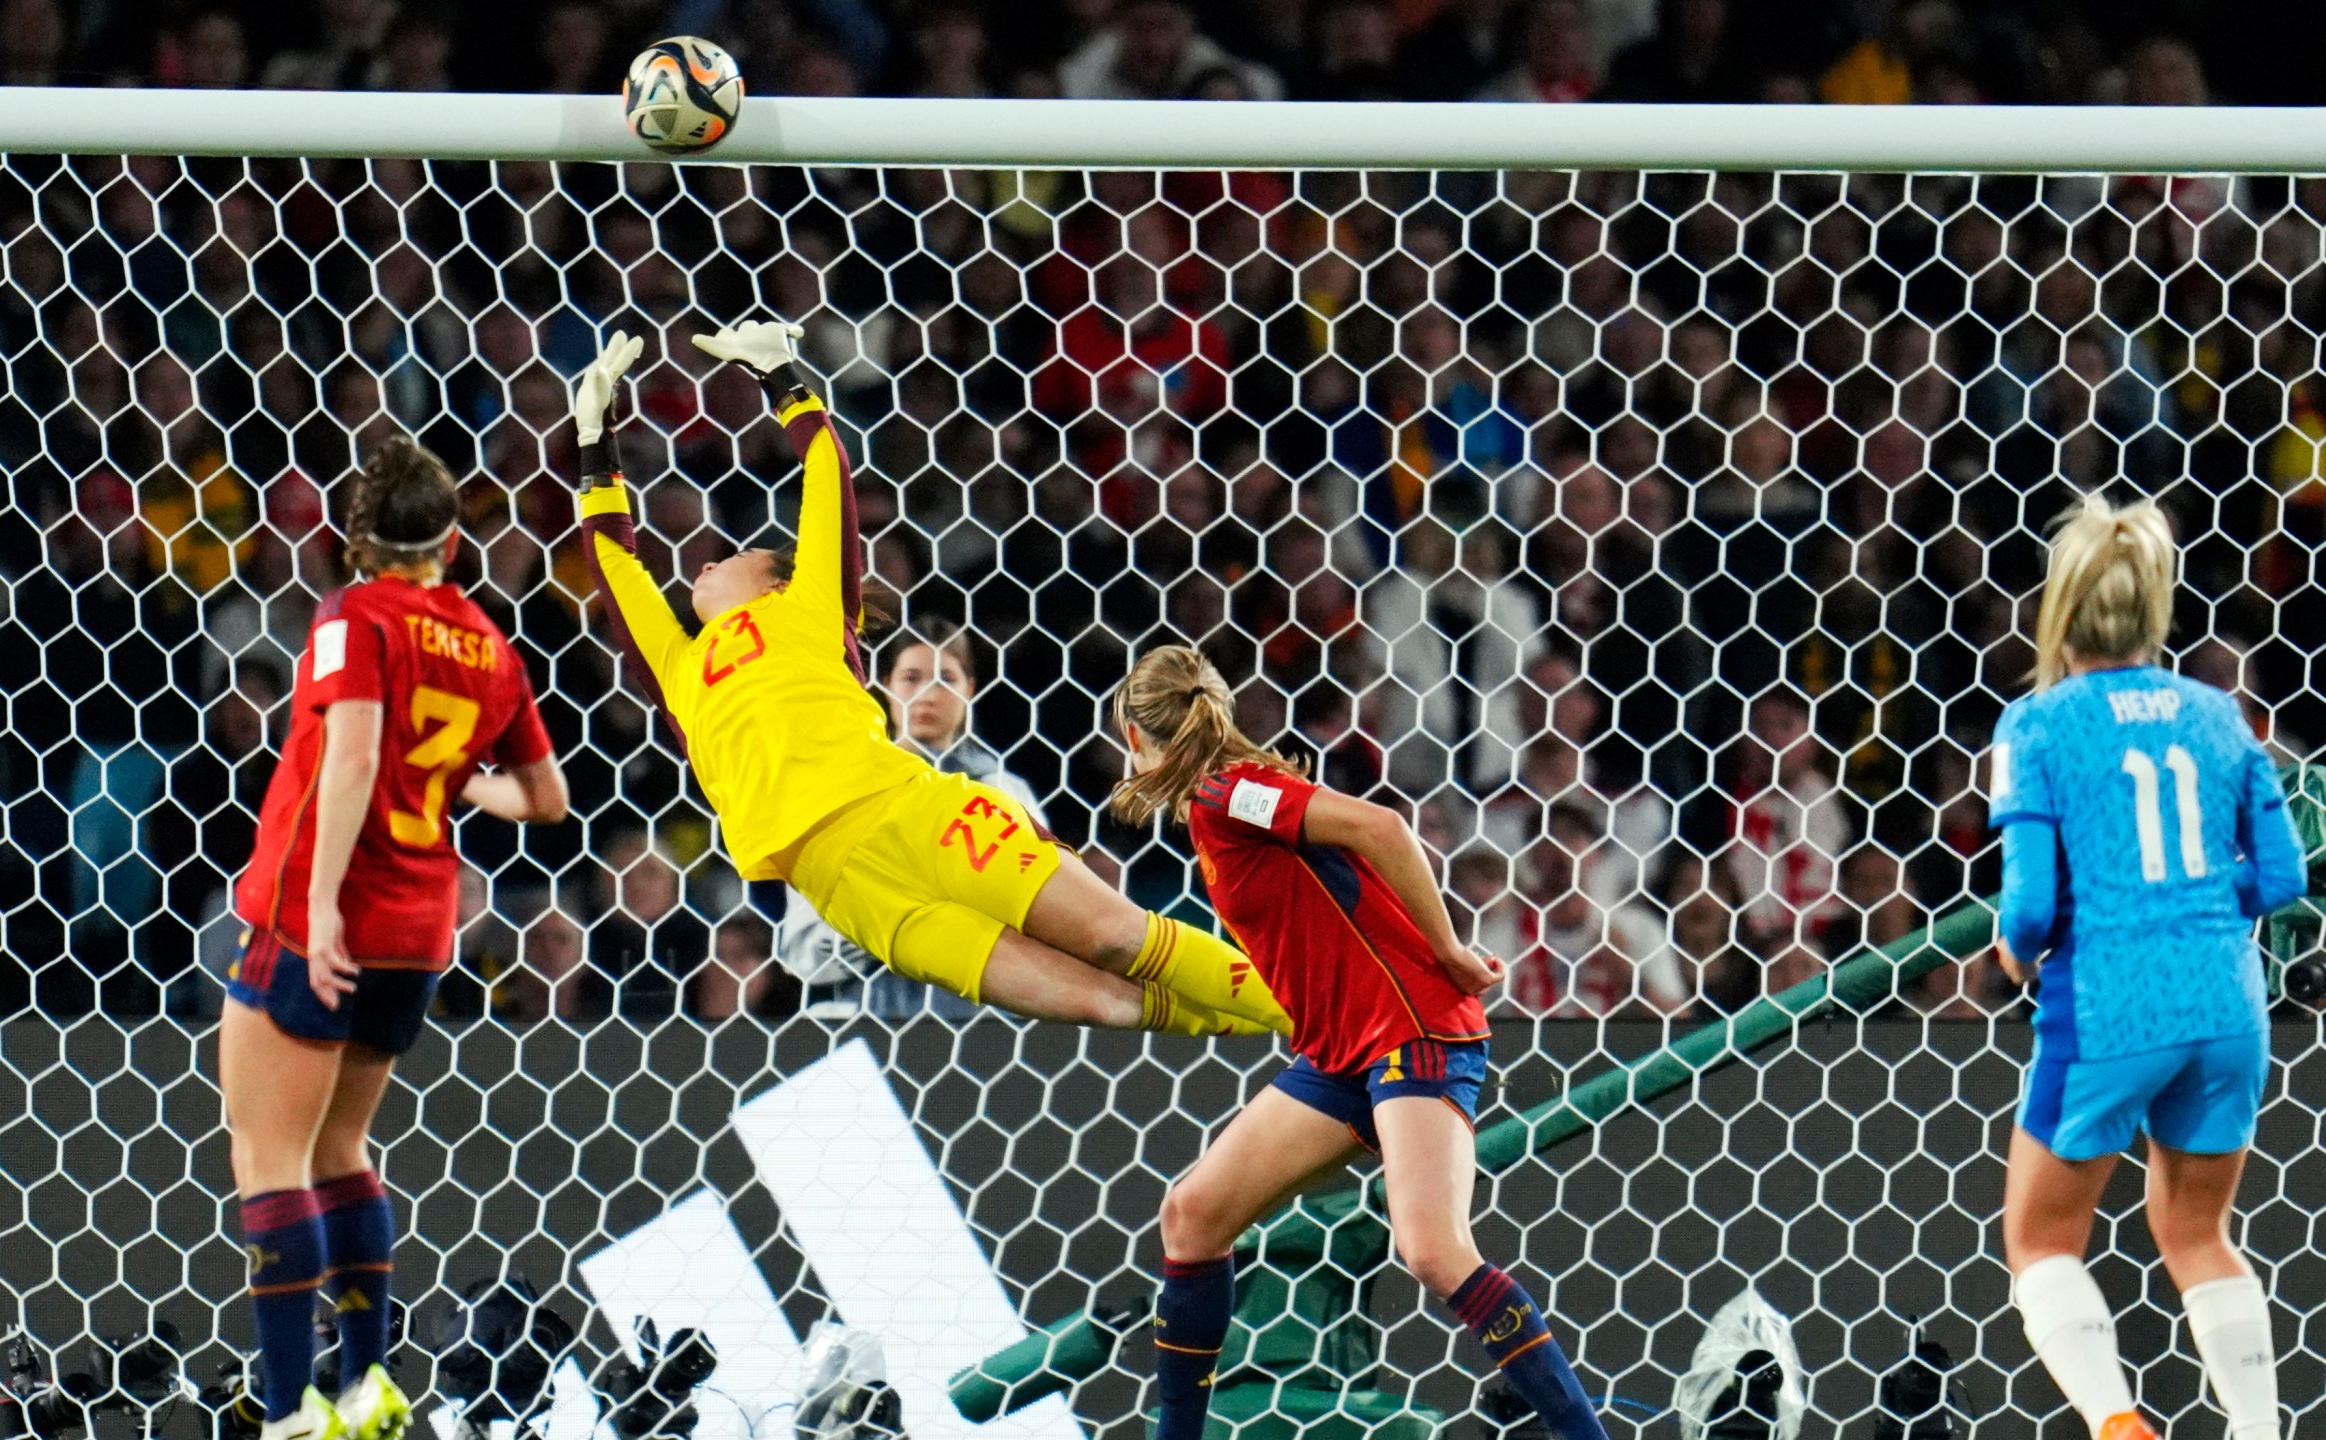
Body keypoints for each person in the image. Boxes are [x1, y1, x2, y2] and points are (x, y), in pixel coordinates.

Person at [569, 319, 1287, 1039]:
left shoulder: (809, 609)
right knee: (1095, 1001)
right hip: (849, 893)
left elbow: (827, 475)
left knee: (1115, 939)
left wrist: (781, 378)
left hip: (912, 816)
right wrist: (592, 441)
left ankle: (1326, 1013)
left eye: (735, 555)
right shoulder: (680, 665)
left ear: (775, 580)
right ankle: (1295, 1039)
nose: (703, 564)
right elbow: (616, 567)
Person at [1109, 644, 1613, 1440]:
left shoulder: (1225, 794)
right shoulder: (1227, 801)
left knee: (1434, 1249)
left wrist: (1445, 945)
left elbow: (1379, 824)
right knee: (1194, 1214)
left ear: (1134, 738)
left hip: (1409, 1030)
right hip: (1345, 1051)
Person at [217, 439, 569, 1440]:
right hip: (420, 926)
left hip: (321, 915)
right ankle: (368, 1385)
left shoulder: (350, 618)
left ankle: (290, 1412)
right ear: (453, 544)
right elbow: (547, 799)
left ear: (351, 544)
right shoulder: (491, 648)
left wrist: (321, 902)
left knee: (268, 1153)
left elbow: (357, 750)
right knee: (341, 1145)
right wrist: (466, 785)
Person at [1989, 497, 2302, 1440]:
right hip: (2224, 999)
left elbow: (2034, 906)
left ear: (2060, 609)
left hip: (2111, 1003)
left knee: (2041, 1240)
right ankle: (2259, 1431)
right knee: (2200, 1234)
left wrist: (2016, 947)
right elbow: (2283, 875)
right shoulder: (2218, 714)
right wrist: (2202, 911)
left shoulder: (2036, 725)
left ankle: (2119, 1424)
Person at [781, 625, 1046, 1020]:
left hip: (981, 1020)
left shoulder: (1005, 794)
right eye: (911, 678)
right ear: (885, 685)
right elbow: (801, 952)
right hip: (867, 1017)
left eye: (945, 678)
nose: (928, 693)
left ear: (969, 690)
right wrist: (893, 920)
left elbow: (1044, 915)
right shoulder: (843, 793)